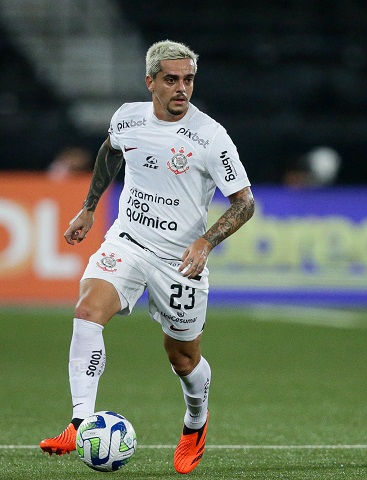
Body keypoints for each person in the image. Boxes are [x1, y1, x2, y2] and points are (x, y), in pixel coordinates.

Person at [39, 40, 255, 475]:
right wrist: (89, 207)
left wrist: (206, 242)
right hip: (128, 241)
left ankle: (196, 421)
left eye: (188, 80)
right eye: (171, 80)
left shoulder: (210, 136)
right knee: (87, 310)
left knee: (183, 358)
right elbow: (110, 152)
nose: (182, 88)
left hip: (180, 262)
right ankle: (80, 423)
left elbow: (245, 202)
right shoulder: (127, 117)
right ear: (150, 82)